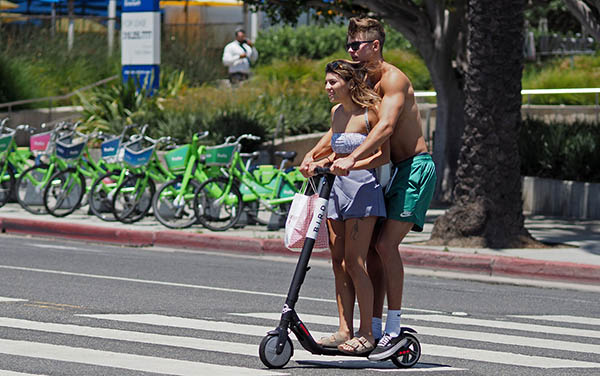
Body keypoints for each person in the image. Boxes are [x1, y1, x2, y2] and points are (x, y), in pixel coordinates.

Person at [300, 17, 436, 361]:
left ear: (375, 45)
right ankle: (369, 327)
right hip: (386, 171)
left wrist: (352, 159)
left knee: (386, 245)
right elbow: (343, 123)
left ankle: (392, 326)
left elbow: (385, 127)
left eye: (357, 45)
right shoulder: (361, 80)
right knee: (371, 249)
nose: (351, 51)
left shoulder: (393, 80)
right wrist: (314, 155)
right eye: (349, 45)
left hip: (413, 167)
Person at [306, 59, 390, 355]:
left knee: (355, 262)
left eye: (333, 82)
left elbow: (382, 155)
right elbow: (335, 151)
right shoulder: (336, 113)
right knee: (338, 262)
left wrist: (353, 163)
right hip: (336, 191)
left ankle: (367, 333)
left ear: (349, 83)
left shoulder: (371, 113)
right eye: (326, 82)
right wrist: (316, 162)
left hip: (362, 191)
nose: (327, 87)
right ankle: (345, 329)